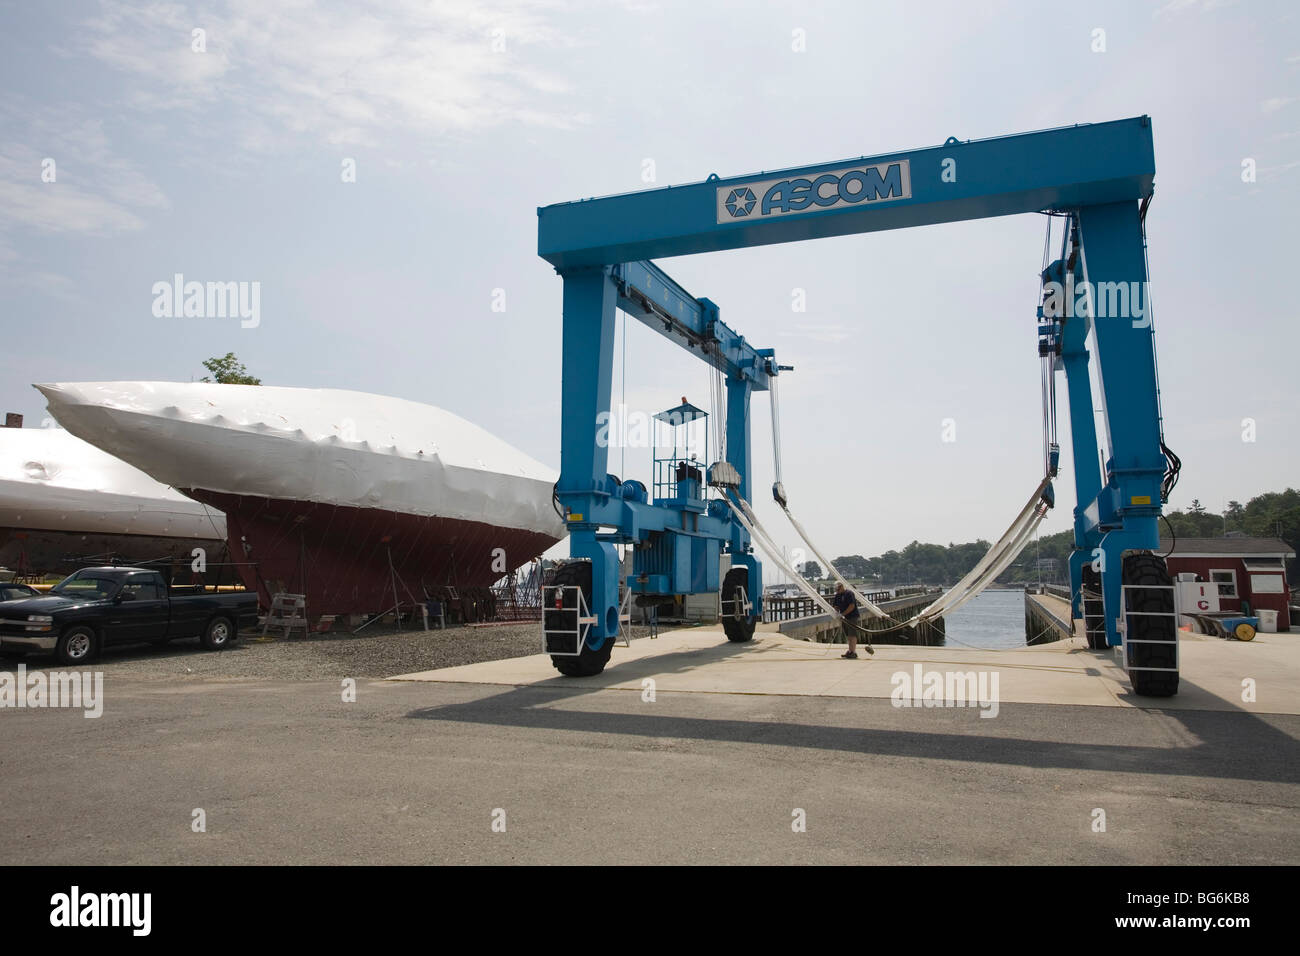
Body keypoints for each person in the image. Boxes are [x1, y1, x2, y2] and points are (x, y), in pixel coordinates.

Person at [832, 582, 861, 659]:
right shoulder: (838, 595)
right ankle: (850, 651)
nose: (837, 591)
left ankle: (853, 652)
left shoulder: (849, 593)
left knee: (852, 634)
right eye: (836, 590)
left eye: (838, 589)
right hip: (844, 617)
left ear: (841, 587)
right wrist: (837, 612)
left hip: (852, 616)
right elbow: (836, 606)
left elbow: (851, 606)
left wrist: (843, 614)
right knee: (848, 635)